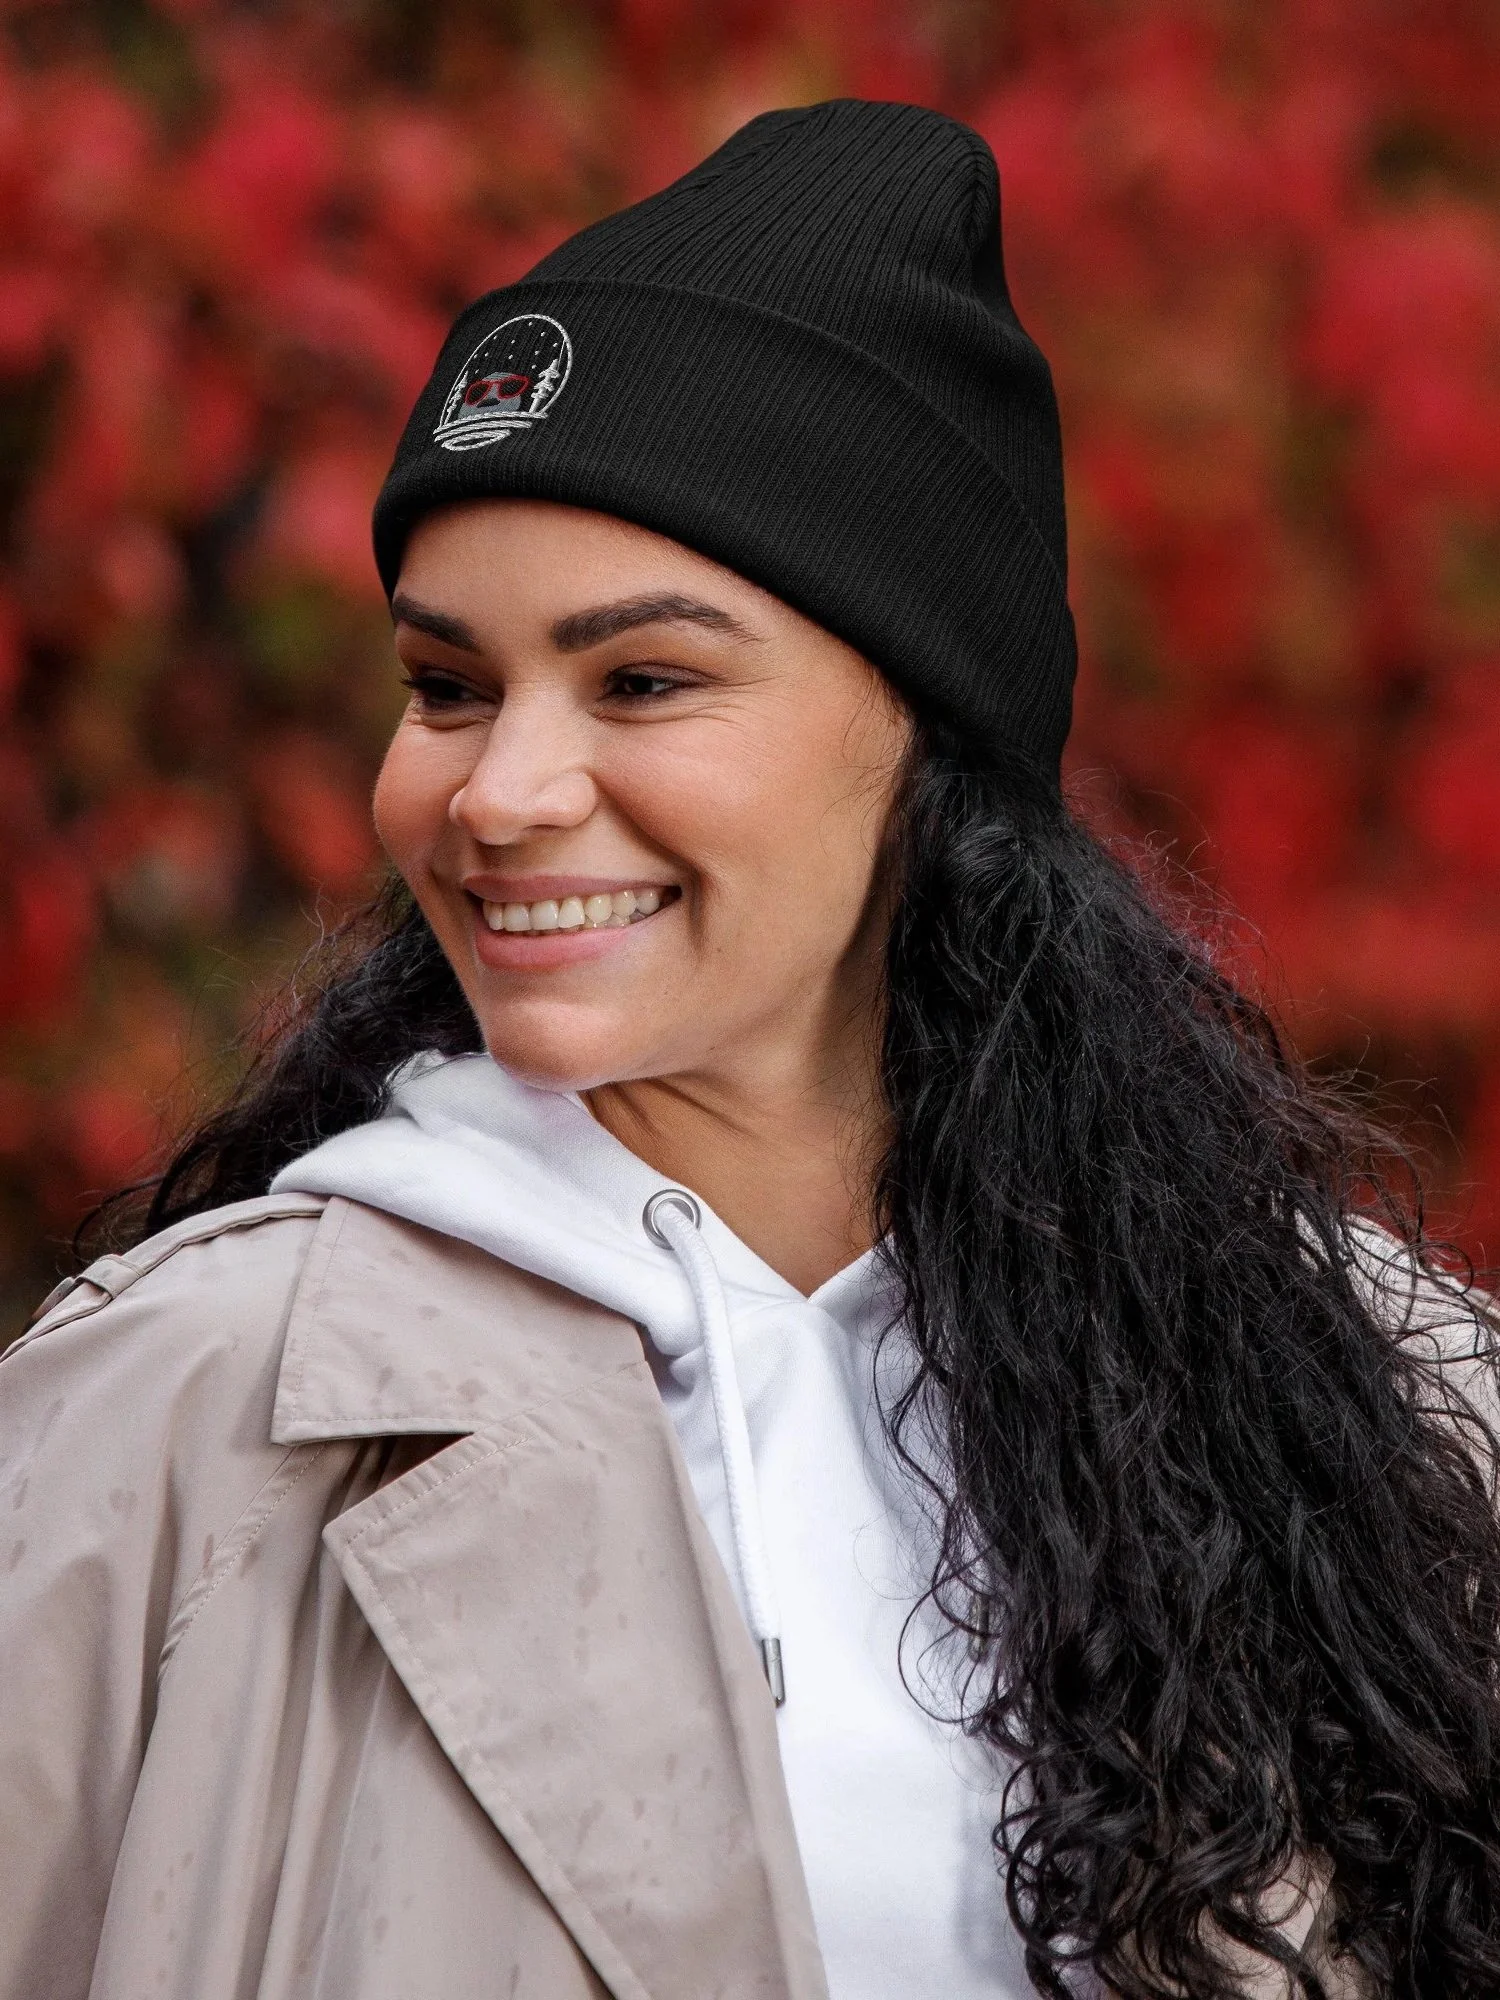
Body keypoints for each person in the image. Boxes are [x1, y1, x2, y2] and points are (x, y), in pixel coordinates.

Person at [2, 99, 1498, 2000]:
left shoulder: (1384, 1426)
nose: (502, 792)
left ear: (926, 739)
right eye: (447, 687)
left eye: (643, 679)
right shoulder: (173, 1416)